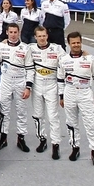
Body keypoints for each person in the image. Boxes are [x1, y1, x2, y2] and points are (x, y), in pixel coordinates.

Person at [0, 22, 34, 152]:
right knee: (4, 111)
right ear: (7, 33)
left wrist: (28, 87)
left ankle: (21, 138)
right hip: (6, 81)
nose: (13, 35)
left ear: (19, 33)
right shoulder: (0, 46)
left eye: (15, 32)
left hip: (21, 82)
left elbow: (30, 69)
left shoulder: (26, 48)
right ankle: (3, 137)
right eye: (11, 32)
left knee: (21, 111)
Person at [59, 31, 94, 166]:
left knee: (91, 123)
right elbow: (60, 79)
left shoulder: (90, 59)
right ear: (69, 44)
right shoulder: (64, 60)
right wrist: (61, 96)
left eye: (78, 42)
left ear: (81, 42)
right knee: (71, 123)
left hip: (85, 93)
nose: (76, 45)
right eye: (73, 43)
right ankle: (75, 148)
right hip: (70, 92)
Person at [28, 25, 65, 159]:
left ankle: (56, 144)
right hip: (37, 85)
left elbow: (67, 61)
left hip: (51, 85)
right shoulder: (30, 48)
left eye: (44, 36)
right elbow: (16, 49)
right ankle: (42, 139)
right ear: (35, 37)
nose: (42, 38)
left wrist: (84, 54)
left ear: (47, 36)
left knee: (53, 116)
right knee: (38, 115)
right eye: (39, 36)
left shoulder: (57, 48)